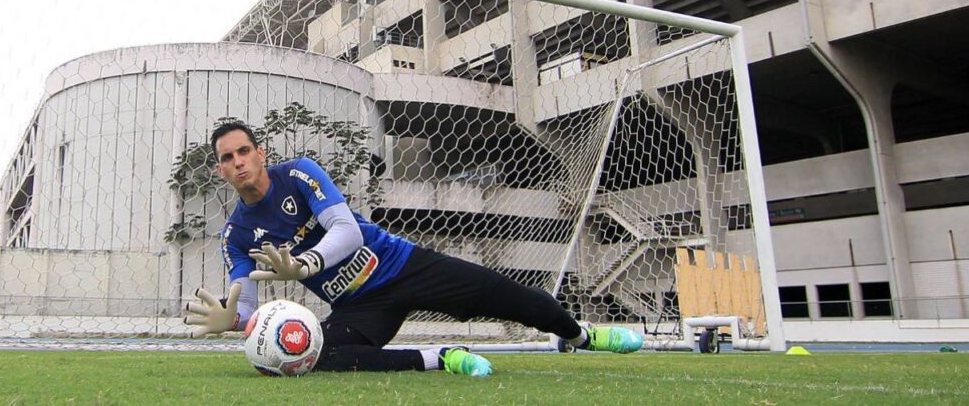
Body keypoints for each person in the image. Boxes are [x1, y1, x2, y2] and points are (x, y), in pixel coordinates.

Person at [185, 121, 642, 376]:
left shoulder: (298, 174)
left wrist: (305, 265)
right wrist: (235, 321)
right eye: (227, 158)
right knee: (317, 356)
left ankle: (582, 336)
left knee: (509, 297)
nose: (238, 161)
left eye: (243, 150)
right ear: (220, 170)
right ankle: (438, 358)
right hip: (361, 304)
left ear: (260, 152)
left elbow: (348, 232)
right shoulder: (237, 235)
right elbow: (243, 303)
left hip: (403, 265)